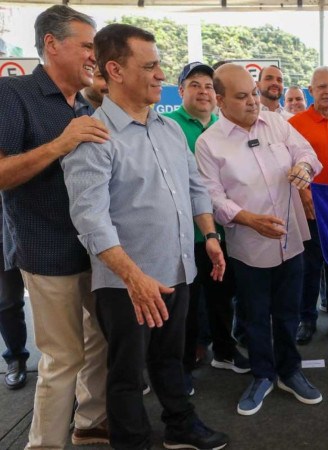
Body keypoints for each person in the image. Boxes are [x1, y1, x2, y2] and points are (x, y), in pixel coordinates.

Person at [62, 23, 229, 449]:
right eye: (150, 66)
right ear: (115, 70)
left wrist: (209, 235)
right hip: (126, 284)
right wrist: (133, 278)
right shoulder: (93, 137)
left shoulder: (169, 128)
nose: (160, 75)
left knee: (171, 360)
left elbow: (195, 187)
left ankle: (179, 426)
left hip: (178, 270)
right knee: (126, 374)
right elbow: (90, 219)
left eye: (159, 66)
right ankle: (132, 441)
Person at [0, 5, 109, 447]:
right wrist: (61, 144)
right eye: (86, 46)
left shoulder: (84, 104)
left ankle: (90, 423)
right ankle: (44, 443)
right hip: (46, 250)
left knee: (100, 339)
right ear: (51, 43)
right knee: (63, 357)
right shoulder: (13, 94)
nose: (94, 57)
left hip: (96, 249)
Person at [196, 63, 323, 416]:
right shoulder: (210, 143)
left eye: (253, 93)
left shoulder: (277, 123)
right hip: (248, 244)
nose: (252, 102)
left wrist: (304, 168)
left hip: (291, 236)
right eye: (242, 97)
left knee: (288, 311)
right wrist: (248, 219)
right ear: (219, 100)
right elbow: (212, 195)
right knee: (254, 315)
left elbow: (307, 153)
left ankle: (290, 371)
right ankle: (263, 374)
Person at [164, 61, 251, 396]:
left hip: (223, 230)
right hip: (185, 233)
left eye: (208, 86)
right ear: (181, 89)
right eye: (195, 84)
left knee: (220, 297)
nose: (203, 91)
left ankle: (224, 352)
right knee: (185, 304)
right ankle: (182, 366)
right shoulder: (167, 126)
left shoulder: (223, 125)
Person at [288, 66, 328, 344]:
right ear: (311, 90)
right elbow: (285, 164)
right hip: (309, 205)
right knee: (309, 268)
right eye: (322, 87)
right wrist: (303, 193)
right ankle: (307, 319)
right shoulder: (295, 123)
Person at [0, 197, 28, 391]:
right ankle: (16, 356)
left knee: (58, 299)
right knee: (7, 301)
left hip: (33, 226)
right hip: (2, 233)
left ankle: (67, 364)